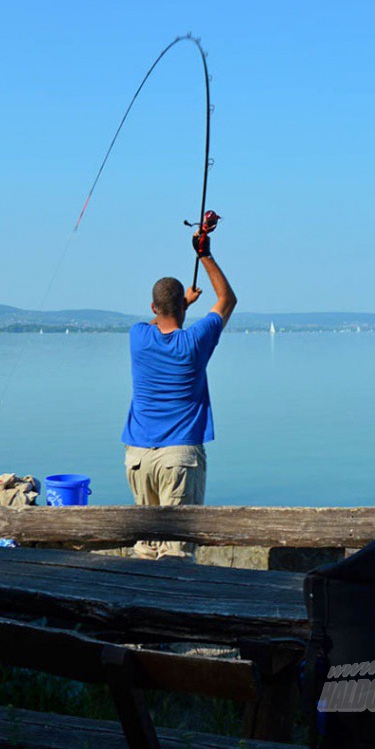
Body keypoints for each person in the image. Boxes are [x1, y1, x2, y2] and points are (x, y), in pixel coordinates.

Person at [121, 224, 237, 558]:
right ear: (183, 310)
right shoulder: (194, 342)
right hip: (179, 458)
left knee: (145, 548)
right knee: (176, 555)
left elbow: (162, 317)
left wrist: (178, 304)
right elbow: (227, 300)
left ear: (153, 307)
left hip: (138, 457)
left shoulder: (138, 337)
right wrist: (204, 255)